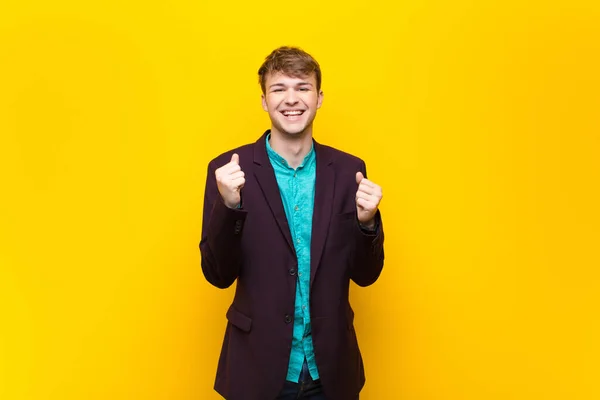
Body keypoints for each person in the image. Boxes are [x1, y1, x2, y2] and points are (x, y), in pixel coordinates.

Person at [199, 46, 385, 400]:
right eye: (279, 88)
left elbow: (367, 274)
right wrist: (229, 206)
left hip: (331, 371)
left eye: (302, 87)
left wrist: (366, 223)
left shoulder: (349, 171)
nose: (291, 99)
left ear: (319, 98)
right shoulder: (227, 171)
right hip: (256, 370)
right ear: (264, 102)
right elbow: (217, 274)